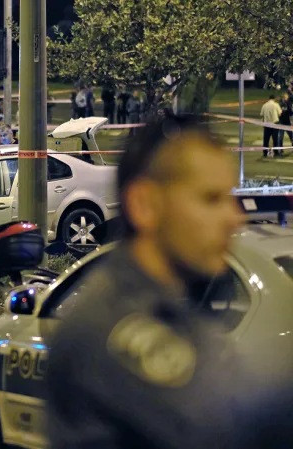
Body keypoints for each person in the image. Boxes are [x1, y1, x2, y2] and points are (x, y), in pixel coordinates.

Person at [45, 116, 264, 449]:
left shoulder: (174, 308)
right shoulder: (113, 325)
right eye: (210, 199)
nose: (234, 218)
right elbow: (217, 426)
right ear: (145, 205)